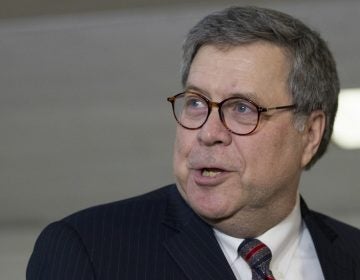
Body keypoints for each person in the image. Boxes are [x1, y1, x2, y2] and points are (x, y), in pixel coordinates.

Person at [27, 6, 360, 280]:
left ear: (310, 134)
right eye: (196, 102)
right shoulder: (88, 250)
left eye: (242, 108)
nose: (207, 132)